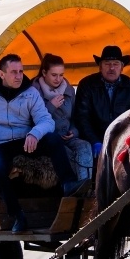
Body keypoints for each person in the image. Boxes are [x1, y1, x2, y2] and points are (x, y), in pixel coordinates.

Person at [0, 53, 90, 234]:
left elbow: (46, 121)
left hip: (23, 141)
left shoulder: (30, 93)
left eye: (21, 71)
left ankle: (68, 184)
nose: (19, 76)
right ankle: (18, 215)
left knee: (52, 138)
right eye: (14, 72)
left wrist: (35, 133)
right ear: (2, 74)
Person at [74, 45, 130, 157]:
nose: (111, 68)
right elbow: (82, 117)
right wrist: (94, 141)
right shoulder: (87, 85)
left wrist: (128, 140)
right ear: (100, 67)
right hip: (94, 138)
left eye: (116, 64)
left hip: (123, 138)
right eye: (107, 63)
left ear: (122, 67)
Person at [31, 53, 93, 181]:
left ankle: (86, 187)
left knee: (85, 146)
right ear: (44, 72)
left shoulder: (69, 90)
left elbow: (75, 116)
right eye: (54, 75)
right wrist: (51, 106)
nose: (58, 79)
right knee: (69, 154)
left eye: (61, 75)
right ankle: (74, 188)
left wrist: (74, 131)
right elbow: (31, 120)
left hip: (67, 135)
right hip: (48, 139)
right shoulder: (33, 91)